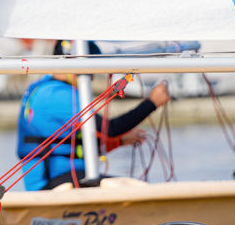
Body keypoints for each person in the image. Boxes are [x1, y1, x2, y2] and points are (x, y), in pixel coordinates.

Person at [16, 40, 171, 190]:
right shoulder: (57, 94)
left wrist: (119, 142)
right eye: (91, 70)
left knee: (127, 185)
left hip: (57, 178)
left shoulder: (40, 87)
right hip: (55, 182)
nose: (92, 78)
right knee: (133, 188)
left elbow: (72, 144)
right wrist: (152, 103)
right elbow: (110, 129)